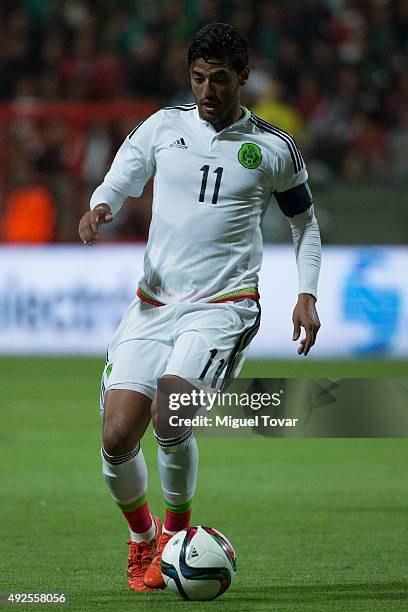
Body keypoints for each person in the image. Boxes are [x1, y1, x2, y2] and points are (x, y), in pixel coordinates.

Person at [78, 23, 321, 592]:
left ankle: (174, 539)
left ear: (242, 78)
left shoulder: (272, 147)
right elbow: (123, 176)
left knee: (172, 416)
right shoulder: (164, 127)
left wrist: (306, 292)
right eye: (197, 78)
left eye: (217, 79)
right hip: (154, 303)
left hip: (224, 306)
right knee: (116, 438)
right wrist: (101, 206)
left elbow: (304, 225)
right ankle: (143, 540)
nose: (206, 91)